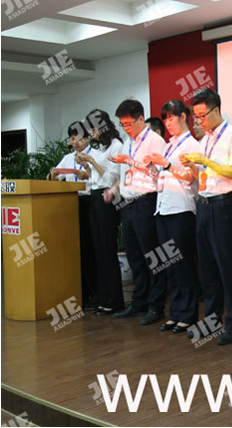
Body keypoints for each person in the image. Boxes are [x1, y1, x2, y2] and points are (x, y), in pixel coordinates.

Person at [180, 89, 232, 345]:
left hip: (223, 206)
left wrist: (206, 161)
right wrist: (193, 166)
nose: (199, 121)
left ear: (216, 110)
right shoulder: (205, 139)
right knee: (207, 268)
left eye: (202, 116)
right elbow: (205, 176)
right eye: (196, 117)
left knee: (227, 267)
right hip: (204, 205)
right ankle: (211, 320)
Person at [107, 100, 167, 325]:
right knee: (134, 256)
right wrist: (115, 189)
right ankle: (139, 301)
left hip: (146, 201)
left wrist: (130, 161)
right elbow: (125, 174)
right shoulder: (127, 143)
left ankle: (156, 306)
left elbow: (158, 173)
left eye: (129, 123)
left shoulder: (155, 141)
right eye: (123, 125)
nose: (126, 128)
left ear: (141, 118)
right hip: (128, 203)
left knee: (152, 255)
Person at [144, 100, 200, 334]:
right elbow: (163, 174)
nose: (167, 123)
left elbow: (191, 177)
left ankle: (188, 313)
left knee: (183, 263)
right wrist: (153, 168)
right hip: (163, 208)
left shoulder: (192, 144)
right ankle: (175, 312)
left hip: (181, 208)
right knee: (170, 265)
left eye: (171, 118)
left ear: (183, 117)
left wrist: (166, 165)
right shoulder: (169, 145)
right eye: (165, 119)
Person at [77, 110, 124, 315]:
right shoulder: (101, 147)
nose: (91, 133)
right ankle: (105, 298)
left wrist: (93, 161)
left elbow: (111, 177)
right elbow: (95, 176)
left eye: (93, 129)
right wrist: (86, 167)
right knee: (99, 250)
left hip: (108, 198)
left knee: (107, 249)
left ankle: (114, 300)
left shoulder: (116, 145)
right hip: (95, 196)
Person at [49, 121, 97, 307]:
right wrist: (53, 175)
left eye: (79, 138)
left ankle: (95, 293)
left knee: (91, 249)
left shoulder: (95, 155)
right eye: (72, 138)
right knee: (76, 250)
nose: (75, 142)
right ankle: (80, 292)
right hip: (71, 204)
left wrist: (88, 172)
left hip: (90, 203)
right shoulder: (68, 158)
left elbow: (103, 179)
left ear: (87, 138)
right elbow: (54, 180)